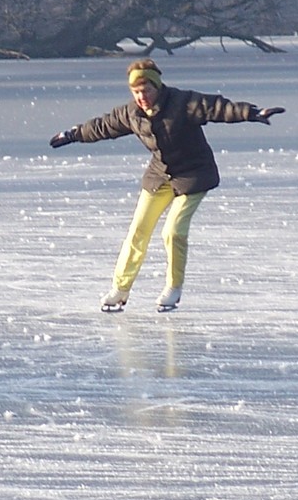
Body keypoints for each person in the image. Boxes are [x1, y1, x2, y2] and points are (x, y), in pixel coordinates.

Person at [48, 58, 285, 312]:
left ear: (157, 87)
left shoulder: (183, 103)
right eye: (136, 92)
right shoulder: (131, 113)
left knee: (172, 231)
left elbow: (216, 107)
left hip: (193, 175)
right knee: (138, 230)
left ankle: (173, 288)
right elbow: (103, 126)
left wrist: (252, 113)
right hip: (160, 175)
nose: (142, 97)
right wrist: (73, 134)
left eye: (146, 91)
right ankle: (120, 289)